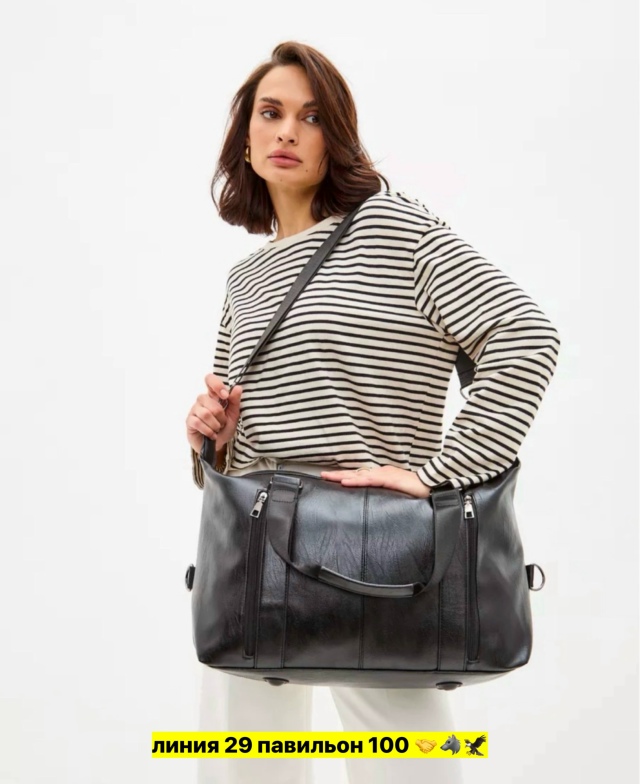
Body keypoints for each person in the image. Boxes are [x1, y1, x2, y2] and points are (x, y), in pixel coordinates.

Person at [185, 40, 561, 784]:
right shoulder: (244, 279)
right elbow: (237, 459)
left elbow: (525, 336)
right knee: (243, 767)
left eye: (312, 117)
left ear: (338, 138)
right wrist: (213, 442)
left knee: (408, 765)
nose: (288, 131)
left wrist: (441, 473)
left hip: (383, 550)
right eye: (271, 113)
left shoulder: (393, 227)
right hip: (259, 555)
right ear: (246, 138)